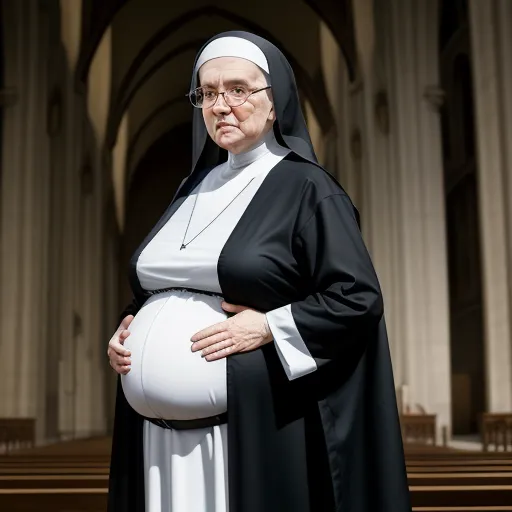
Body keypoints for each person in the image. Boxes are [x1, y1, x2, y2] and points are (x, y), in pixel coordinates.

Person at [107, 31, 411, 512]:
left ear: (275, 103)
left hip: (245, 436)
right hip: (154, 441)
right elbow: (160, 289)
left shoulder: (306, 187)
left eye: (237, 90)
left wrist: (269, 325)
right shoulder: (191, 190)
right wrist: (130, 327)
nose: (220, 105)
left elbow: (357, 297)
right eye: (207, 93)